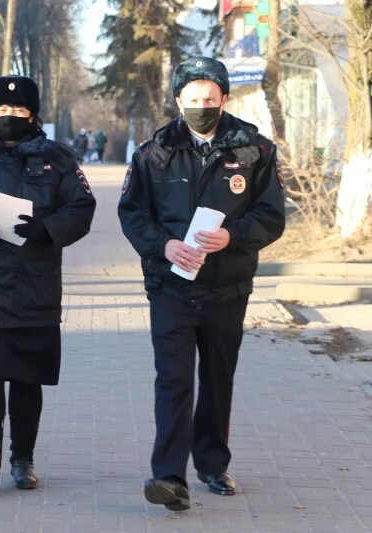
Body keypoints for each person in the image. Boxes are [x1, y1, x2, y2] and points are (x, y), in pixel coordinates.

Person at [117, 57, 285, 511]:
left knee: (216, 378)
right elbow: (132, 212)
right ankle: (169, 475)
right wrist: (163, 246)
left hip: (228, 286)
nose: (202, 107)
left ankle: (212, 463)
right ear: (178, 101)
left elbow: (271, 215)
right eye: (192, 100)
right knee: (173, 380)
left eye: (210, 99)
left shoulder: (252, 148)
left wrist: (234, 235)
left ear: (224, 98)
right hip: (171, 285)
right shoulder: (155, 151)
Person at [0, 75, 97, 494]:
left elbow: (82, 208)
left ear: (33, 115)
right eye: (2, 111)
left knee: (27, 379)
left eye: (19, 111)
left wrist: (45, 229)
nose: (10, 118)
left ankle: (23, 460)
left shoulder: (58, 160)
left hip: (34, 286)